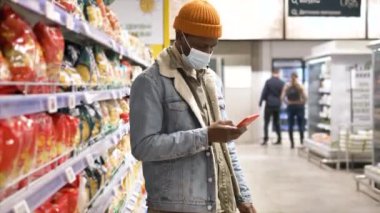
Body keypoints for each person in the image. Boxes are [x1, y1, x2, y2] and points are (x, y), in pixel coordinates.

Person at [129, 1, 256, 213]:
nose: (208, 52)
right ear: (180, 37)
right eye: (202, 45)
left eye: (212, 46)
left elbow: (227, 148)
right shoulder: (150, 82)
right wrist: (205, 136)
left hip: (214, 203)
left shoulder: (212, 81)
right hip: (172, 207)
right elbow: (143, 146)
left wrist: (242, 195)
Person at [281, 72, 307, 149]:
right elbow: (305, 97)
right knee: (301, 125)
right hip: (299, 106)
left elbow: (282, 97)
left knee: (290, 125)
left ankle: (292, 143)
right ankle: (302, 142)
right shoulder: (300, 86)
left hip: (290, 106)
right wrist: (302, 102)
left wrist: (288, 103)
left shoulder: (287, 86)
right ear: (297, 78)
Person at [259, 69, 285, 145]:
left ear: (272, 73)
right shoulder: (281, 83)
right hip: (277, 105)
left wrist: (260, 102)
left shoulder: (268, 82)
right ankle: (279, 139)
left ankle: (265, 139)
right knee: (277, 122)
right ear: (278, 73)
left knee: (266, 122)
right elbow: (283, 95)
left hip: (269, 104)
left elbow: (264, 92)